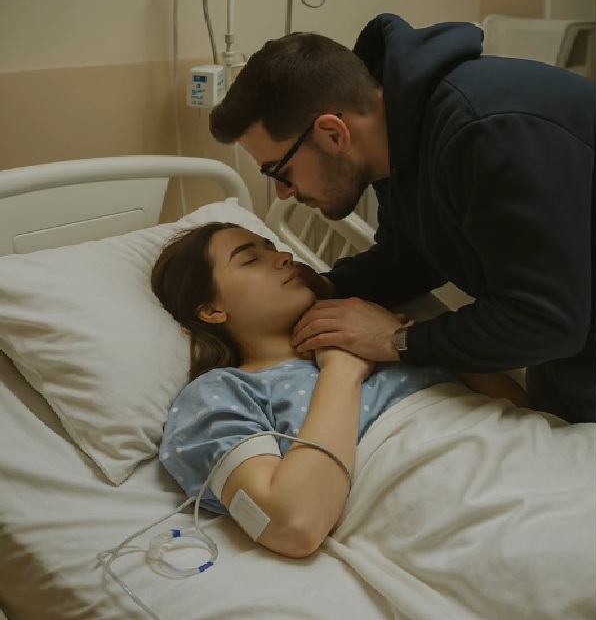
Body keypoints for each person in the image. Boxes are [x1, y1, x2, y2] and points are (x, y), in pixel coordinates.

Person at [208, 13, 596, 424]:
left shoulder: (488, 132)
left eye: (280, 172)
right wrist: (330, 286)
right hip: (572, 349)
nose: (283, 193)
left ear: (333, 134)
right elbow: (413, 256)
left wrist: (398, 340)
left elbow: (545, 320)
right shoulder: (394, 140)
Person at [151, 221, 529, 558]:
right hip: (469, 515)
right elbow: (291, 525)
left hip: (536, 456)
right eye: (250, 260)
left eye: (273, 247)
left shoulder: (381, 336)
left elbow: (520, 410)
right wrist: (342, 370)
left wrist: (406, 338)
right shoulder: (219, 394)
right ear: (211, 310)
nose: (284, 256)